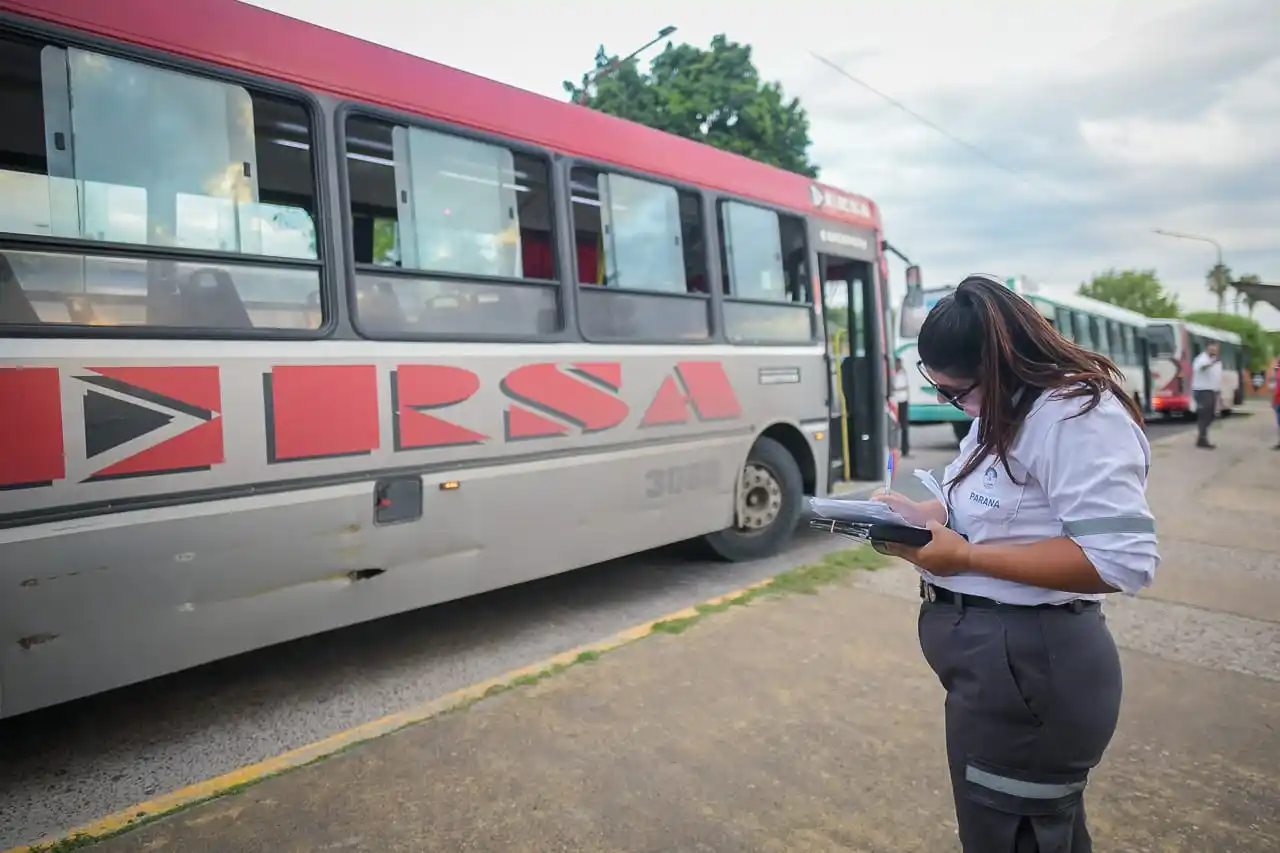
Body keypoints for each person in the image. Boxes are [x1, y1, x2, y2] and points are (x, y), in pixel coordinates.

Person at [871, 274, 1159, 853]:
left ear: (1001, 363)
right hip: (997, 673)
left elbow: (1121, 560)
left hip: (1031, 670)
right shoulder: (1003, 405)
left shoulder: (1078, 416)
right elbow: (991, 505)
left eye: (959, 392)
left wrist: (967, 557)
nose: (958, 405)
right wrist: (920, 516)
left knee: (1014, 836)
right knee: (1024, 832)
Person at [1191, 342, 1222, 449]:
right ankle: (1203, 439)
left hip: (1211, 390)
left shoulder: (1217, 361)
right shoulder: (1201, 359)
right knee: (1204, 414)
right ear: (1207, 348)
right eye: (1212, 349)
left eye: (1216, 349)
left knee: (1211, 415)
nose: (1214, 351)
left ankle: (1201, 437)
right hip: (1202, 390)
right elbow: (1202, 368)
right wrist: (1211, 363)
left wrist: (1218, 391)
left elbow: (1216, 377)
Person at [893, 357, 911, 456]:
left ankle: (905, 449)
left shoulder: (903, 373)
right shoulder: (893, 373)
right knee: (895, 426)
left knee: (904, 426)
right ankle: (896, 447)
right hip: (896, 401)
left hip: (902, 400)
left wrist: (895, 388)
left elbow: (904, 386)